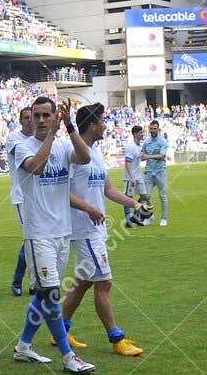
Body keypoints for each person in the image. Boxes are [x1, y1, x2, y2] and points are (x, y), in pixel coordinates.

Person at [9, 97, 96, 375]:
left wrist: (70, 126)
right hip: (39, 233)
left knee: (45, 294)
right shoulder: (21, 145)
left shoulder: (62, 143)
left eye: (48, 115)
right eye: (38, 116)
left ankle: (23, 346)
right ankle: (68, 356)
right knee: (52, 293)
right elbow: (36, 166)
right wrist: (53, 135)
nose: (43, 120)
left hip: (62, 232)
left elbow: (84, 157)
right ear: (30, 118)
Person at [61, 104, 145, 356]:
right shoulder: (71, 152)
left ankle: (60, 330)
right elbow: (60, 192)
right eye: (102, 121)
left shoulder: (96, 152)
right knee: (104, 282)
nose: (105, 125)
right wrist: (88, 208)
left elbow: (107, 189)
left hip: (95, 229)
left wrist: (134, 203)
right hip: (84, 229)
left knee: (83, 282)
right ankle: (116, 338)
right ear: (91, 124)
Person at [5, 106, 35, 296]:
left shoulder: (41, 140)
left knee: (35, 239)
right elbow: (28, 162)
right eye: (26, 117)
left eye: (33, 117)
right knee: (30, 239)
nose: (31, 120)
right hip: (22, 196)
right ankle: (32, 283)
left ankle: (21, 281)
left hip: (41, 196)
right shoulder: (14, 139)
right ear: (21, 120)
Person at [141, 120, 170, 227]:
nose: (152, 130)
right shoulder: (147, 142)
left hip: (160, 172)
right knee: (145, 196)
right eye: (151, 128)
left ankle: (164, 218)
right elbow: (142, 154)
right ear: (149, 129)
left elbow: (162, 156)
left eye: (154, 128)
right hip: (149, 172)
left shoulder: (162, 142)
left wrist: (148, 157)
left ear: (158, 129)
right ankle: (149, 215)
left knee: (162, 195)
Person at [121, 125, 147, 227]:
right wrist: (131, 177)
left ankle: (136, 217)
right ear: (135, 134)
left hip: (138, 176)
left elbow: (139, 159)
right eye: (141, 133)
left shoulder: (139, 146)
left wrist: (146, 157)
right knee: (128, 198)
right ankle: (128, 220)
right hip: (130, 177)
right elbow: (127, 163)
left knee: (144, 196)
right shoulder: (130, 146)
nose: (142, 134)